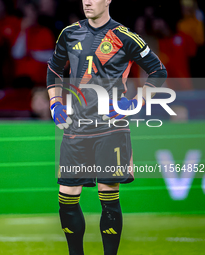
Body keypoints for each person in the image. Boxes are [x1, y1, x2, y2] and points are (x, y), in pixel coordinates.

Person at [46, 0, 167, 255]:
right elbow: (54, 69)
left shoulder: (124, 36)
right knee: (66, 196)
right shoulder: (69, 33)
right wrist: (55, 103)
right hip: (76, 126)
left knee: (107, 195)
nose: (87, 1)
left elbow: (158, 71)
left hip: (112, 127)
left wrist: (135, 103)